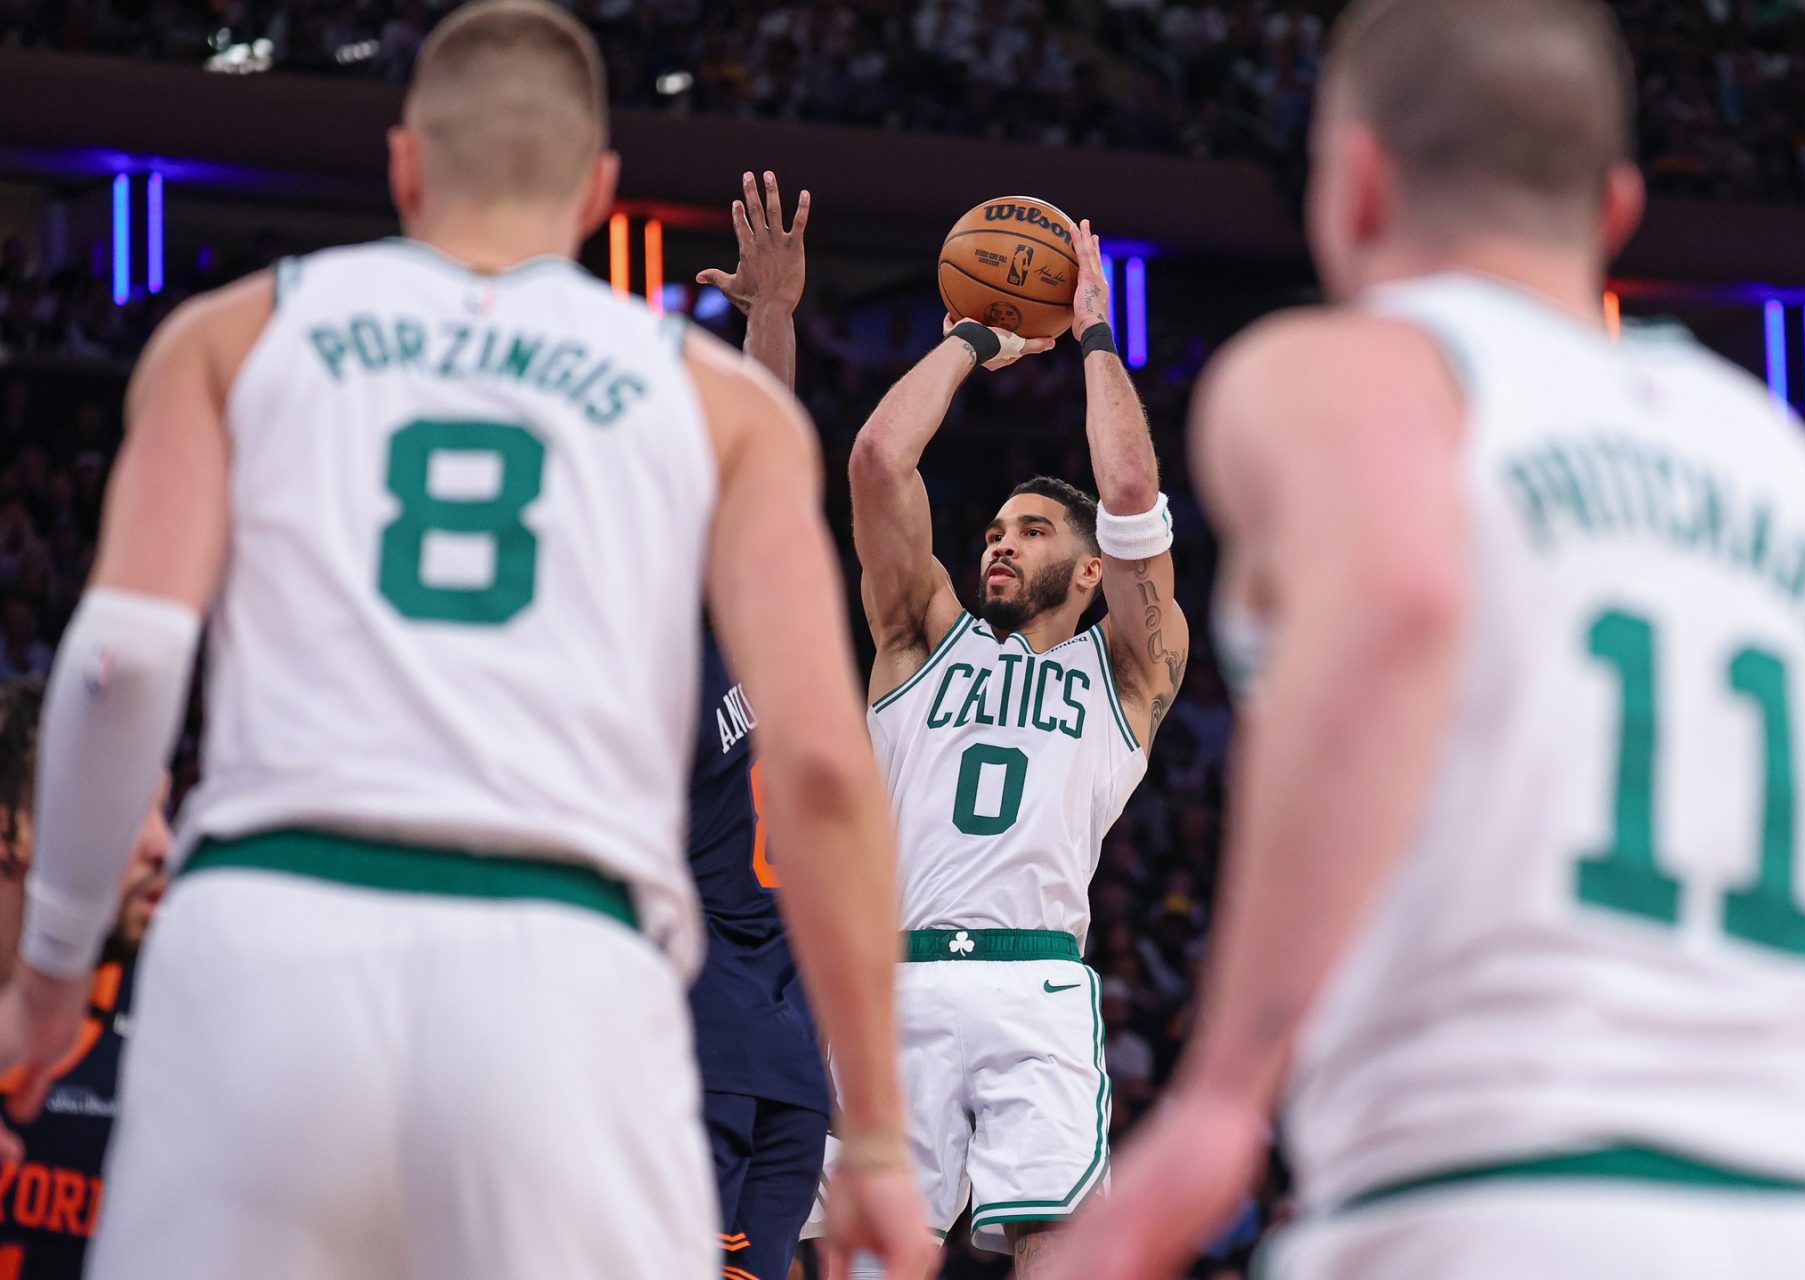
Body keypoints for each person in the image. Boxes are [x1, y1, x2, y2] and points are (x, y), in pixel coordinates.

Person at [0, 5, 931, 1279]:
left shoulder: (229, 336)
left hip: (270, 936)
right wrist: (875, 1132)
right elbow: (825, 772)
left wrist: (53, 977)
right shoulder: (723, 407)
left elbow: (122, 666)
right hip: (560, 964)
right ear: (601, 189)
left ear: (404, 165)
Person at [1049, 1, 1805, 1278]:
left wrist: (1225, 1094)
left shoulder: (1350, 372)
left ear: (1353, 184)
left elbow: (1402, 592)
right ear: (1617, 207)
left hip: (1500, 1184)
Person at [846, 213, 1188, 1276]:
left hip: (1035, 981)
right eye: (994, 527)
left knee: (1059, 1251)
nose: (1000, 539)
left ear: (1092, 575)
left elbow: (1129, 495)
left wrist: (1092, 339)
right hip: (894, 976)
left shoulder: (1126, 671)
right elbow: (877, 459)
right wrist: (970, 340)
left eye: (1031, 529)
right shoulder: (920, 642)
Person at [687, 169, 834, 1280]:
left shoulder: (769, 624)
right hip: (703, 1017)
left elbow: (769, 475)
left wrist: (774, 320)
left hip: (792, 1036)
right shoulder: (665, 646)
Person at [0, 678, 170, 1280]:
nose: (163, 845)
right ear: (15, 828)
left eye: (162, 810)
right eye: (127, 808)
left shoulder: (175, 1042)